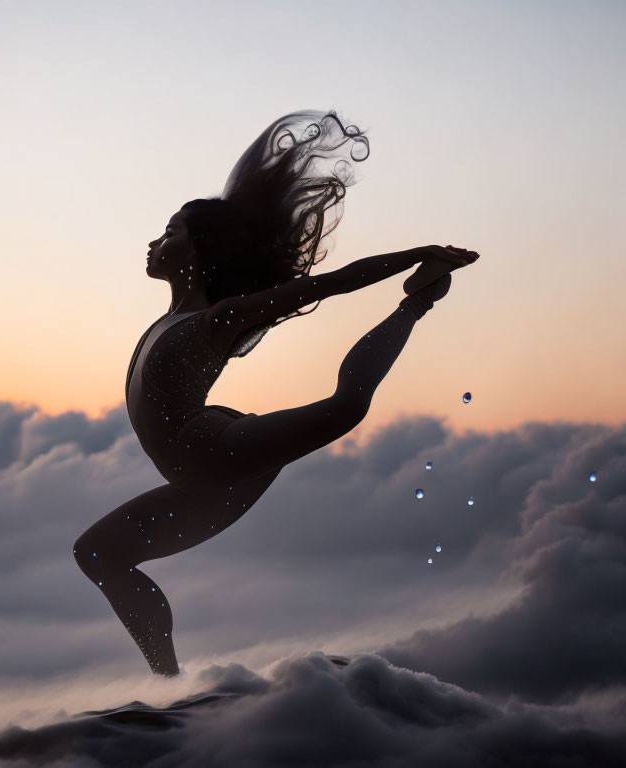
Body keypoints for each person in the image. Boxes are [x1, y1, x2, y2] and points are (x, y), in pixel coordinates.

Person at [73, 111, 479, 676]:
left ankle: (417, 303)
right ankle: (168, 683)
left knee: (346, 406)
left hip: (222, 454)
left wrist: (416, 257)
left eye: (170, 232)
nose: (156, 240)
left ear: (196, 251)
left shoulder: (217, 320)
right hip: (197, 482)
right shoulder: (170, 321)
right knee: (98, 554)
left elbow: (328, 285)